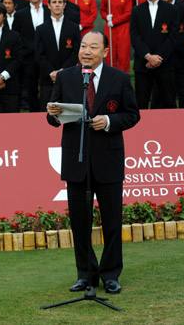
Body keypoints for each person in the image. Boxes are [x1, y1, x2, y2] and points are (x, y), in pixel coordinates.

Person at [46, 31, 139, 295]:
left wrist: (109, 122)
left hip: (108, 159)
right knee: (80, 221)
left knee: (111, 220)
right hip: (76, 160)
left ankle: (110, 274)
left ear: (105, 52)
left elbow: (132, 115)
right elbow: (53, 118)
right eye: (83, 46)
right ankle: (85, 273)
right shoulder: (66, 77)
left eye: (93, 47)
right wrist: (52, 114)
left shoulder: (118, 79)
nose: (86, 51)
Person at [130, 0, 177, 109]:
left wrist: (158, 58)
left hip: (165, 64)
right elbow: (134, 36)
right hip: (143, 65)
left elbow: (173, 37)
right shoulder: (137, 10)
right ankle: (141, 130)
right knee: (141, 102)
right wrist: (148, 56)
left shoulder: (171, 10)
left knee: (168, 101)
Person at [35, 0, 80, 109]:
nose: (57, 4)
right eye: (54, 2)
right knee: (47, 115)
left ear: (64, 5)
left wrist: (63, 71)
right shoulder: (41, 29)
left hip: (69, 78)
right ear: (49, 5)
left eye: (60, 2)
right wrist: (51, 72)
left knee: (69, 114)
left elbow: (76, 52)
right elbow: (39, 55)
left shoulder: (74, 28)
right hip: (47, 79)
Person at [14, 0, 50, 111]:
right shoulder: (20, 14)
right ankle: (34, 114)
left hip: (46, 57)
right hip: (28, 59)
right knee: (31, 89)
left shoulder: (49, 11)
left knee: (47, 88)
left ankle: (47, 114)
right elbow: (16, 36)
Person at [100, 0, 132, 73]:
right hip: (109, 29)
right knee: (110, 55)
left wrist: (114, 21)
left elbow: (128, 13)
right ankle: (111, 79)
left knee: (123, 55)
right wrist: (106, 17)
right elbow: (102, 10)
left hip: (123, 29)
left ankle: (124, 80)